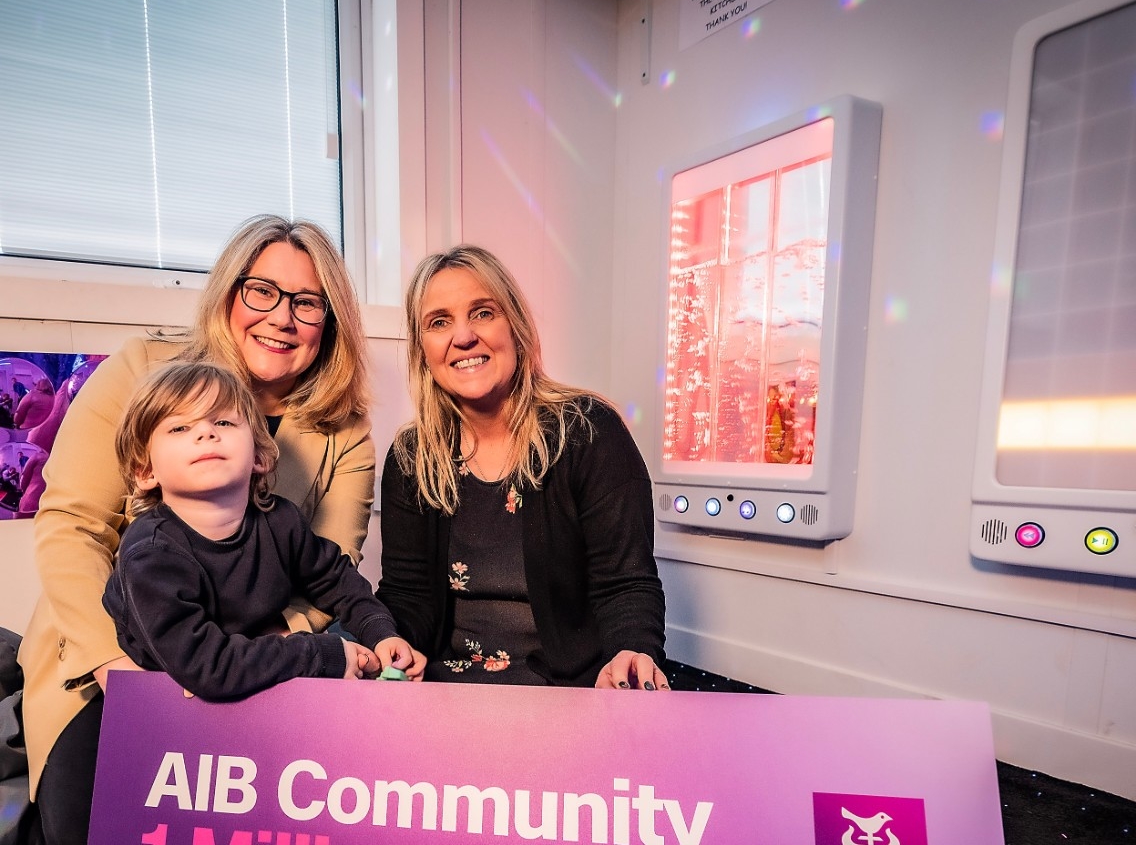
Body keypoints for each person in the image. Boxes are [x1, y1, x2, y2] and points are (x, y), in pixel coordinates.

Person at [18, 215, 375, 845]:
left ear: (330, 323)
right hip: (105, 657)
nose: (282, 317)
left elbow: (329, 570)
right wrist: (117, 666)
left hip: (256, 659)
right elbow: (72, 526)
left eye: (307, 303)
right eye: (261, 290)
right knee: (92, 823)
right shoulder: (141, 369)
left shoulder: (344, 432)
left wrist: (237, 661)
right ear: (228, 292)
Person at [376, 245, 667, 691]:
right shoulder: (411, 457)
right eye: (439, 322)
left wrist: (632, 651)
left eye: (483, 313)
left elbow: (625, 584)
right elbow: (407, 596)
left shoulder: (589, 432)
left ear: (515, 325)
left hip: (569, 694)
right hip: (444, 695)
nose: (464, 336)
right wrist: (390, 643)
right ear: (423, 350)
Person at [103, 362, 424, 700]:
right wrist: (321, 654)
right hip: (168, 691)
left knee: (357, 652)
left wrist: (380, 632)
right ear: (146, 471)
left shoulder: (279, 521)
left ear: (259, 456)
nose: (206, 433)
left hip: (256, 660)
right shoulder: (151, 553)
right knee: (333, 653)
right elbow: (209, 669)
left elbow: (337, 579)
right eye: (180, 428)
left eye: (223, 422)